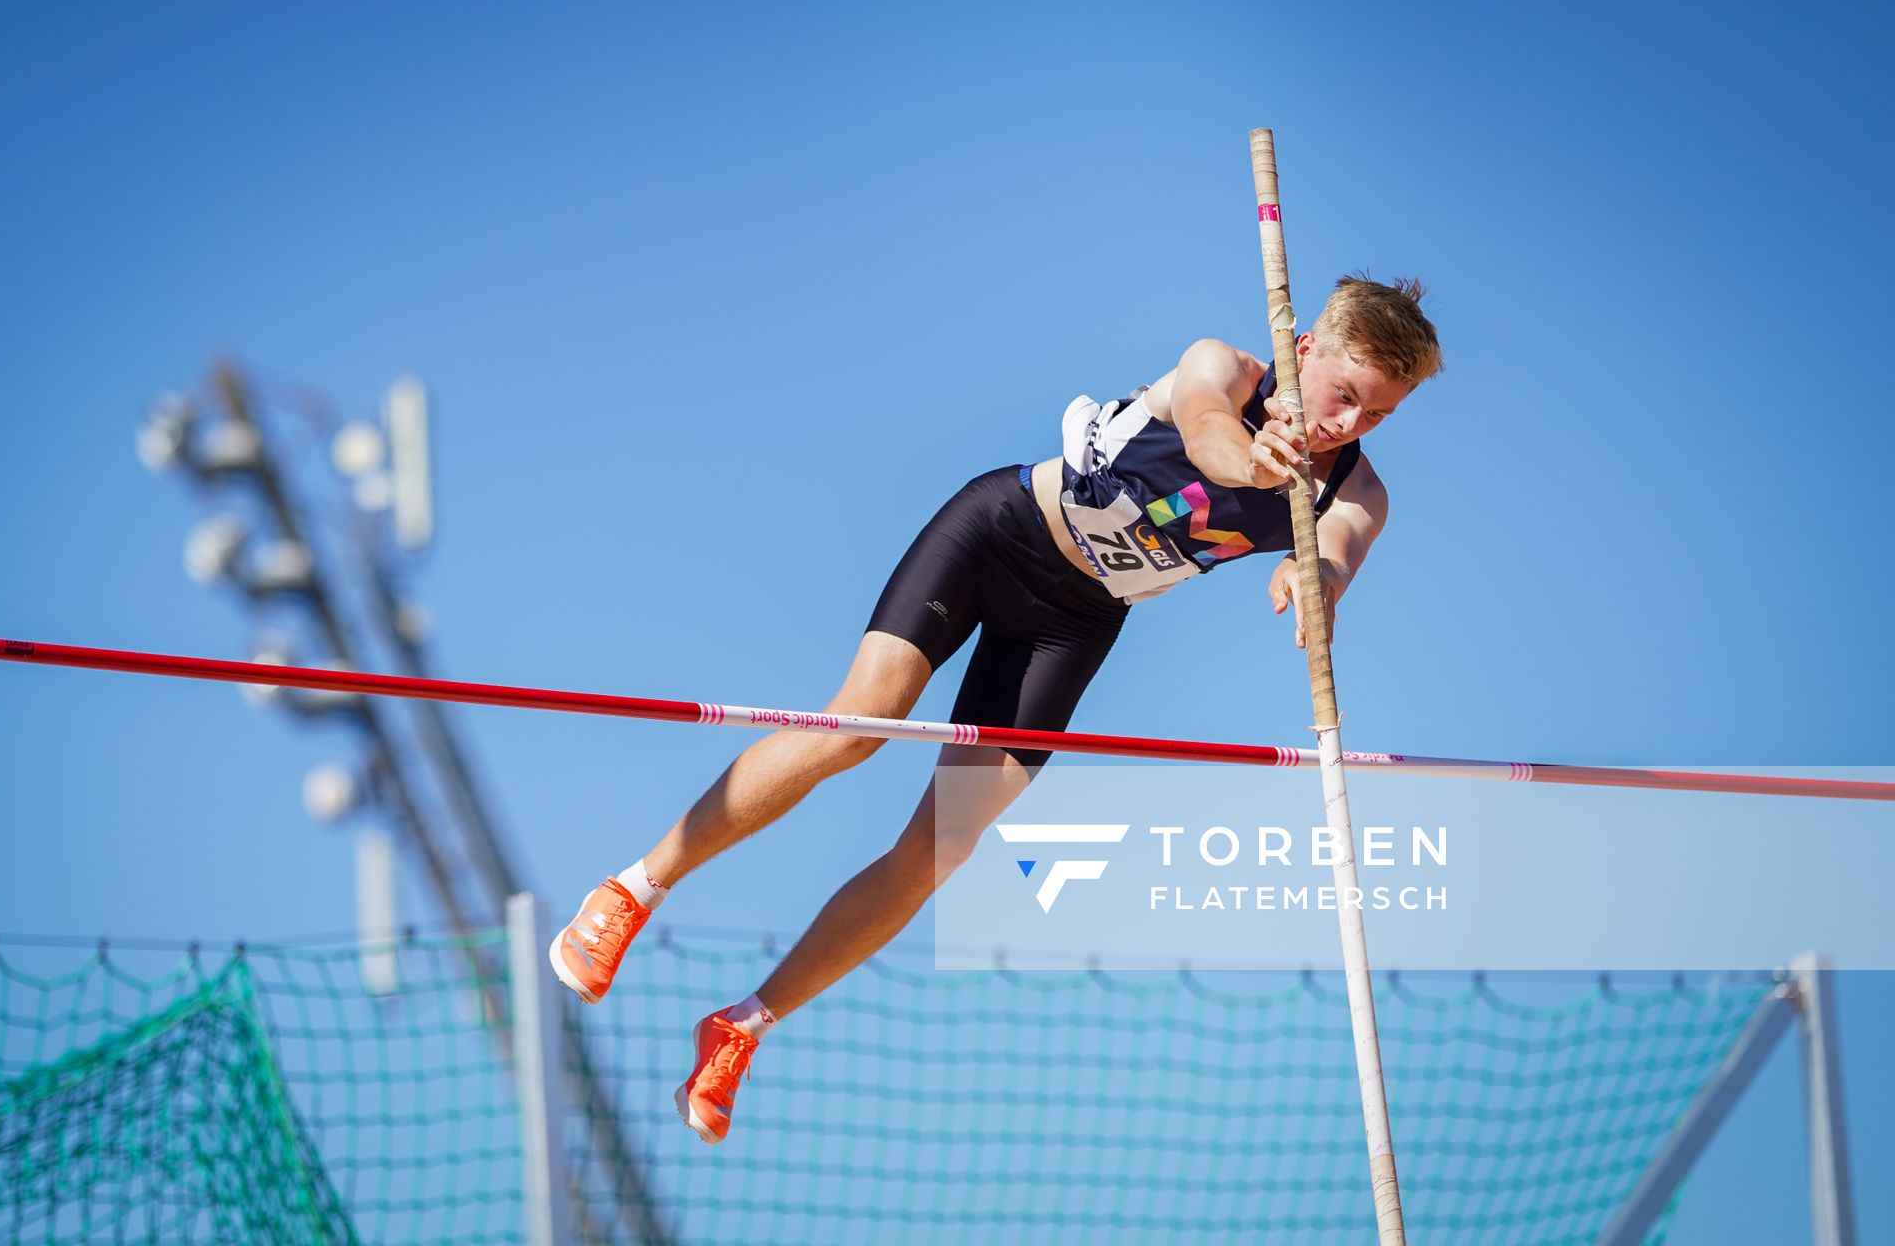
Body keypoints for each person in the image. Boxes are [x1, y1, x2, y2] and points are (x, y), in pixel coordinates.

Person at [550, 275, 1443, 1144]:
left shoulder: (1353, 488)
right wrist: (1252, 457)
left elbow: (1339, 547)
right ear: (1304, 349)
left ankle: (742, 1027)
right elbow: (1208, 432)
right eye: (1343, 397)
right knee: (862, 722)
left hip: (1077, 622)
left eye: (1377, 416)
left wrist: (1313, 576)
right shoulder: (1224, 368)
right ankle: (633, 889)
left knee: (943, 846)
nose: (1348, 426)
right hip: (1000, 533)